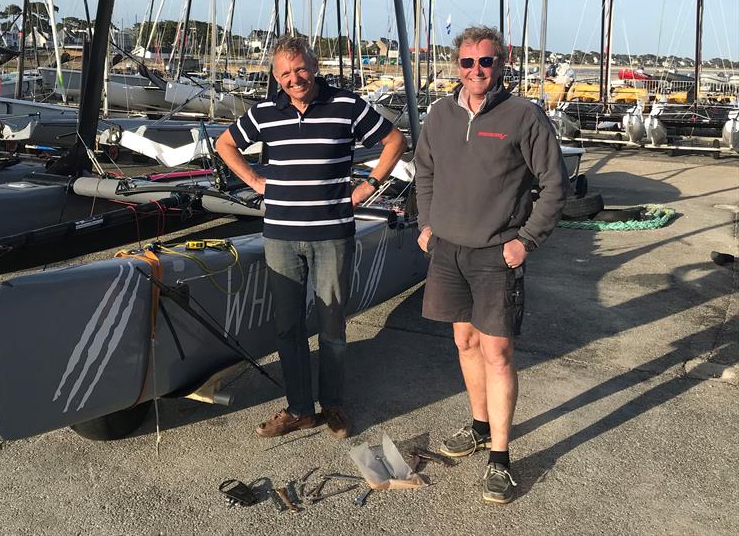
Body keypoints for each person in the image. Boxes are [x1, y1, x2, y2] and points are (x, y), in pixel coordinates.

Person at [215, 35, 406, 439]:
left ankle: (332, 404)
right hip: (281, 235)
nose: (294, 78)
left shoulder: (346, 105)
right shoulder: (265, 112)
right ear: (275, 76)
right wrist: (253, 179)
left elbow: (394, 141)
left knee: (332, 325)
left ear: (314, 67)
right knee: (287, 327)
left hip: (332, 234)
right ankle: (299, 408)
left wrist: (369, 185)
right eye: (285, 72)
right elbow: (225, 143)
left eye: (300, 68)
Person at [415, 26, 567, 504]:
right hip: (447, 252)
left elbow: (555, 184)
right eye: (467, 62)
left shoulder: (523, 116)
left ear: (502, 63)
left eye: (486, 61)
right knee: (464, 340)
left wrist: (527, 240)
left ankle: (499, 457)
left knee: (497, 352)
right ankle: (480, 425)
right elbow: (426, 172)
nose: (476, 70)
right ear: (455, 65)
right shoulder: (439, 113)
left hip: (497, 253)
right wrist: (425, 224)